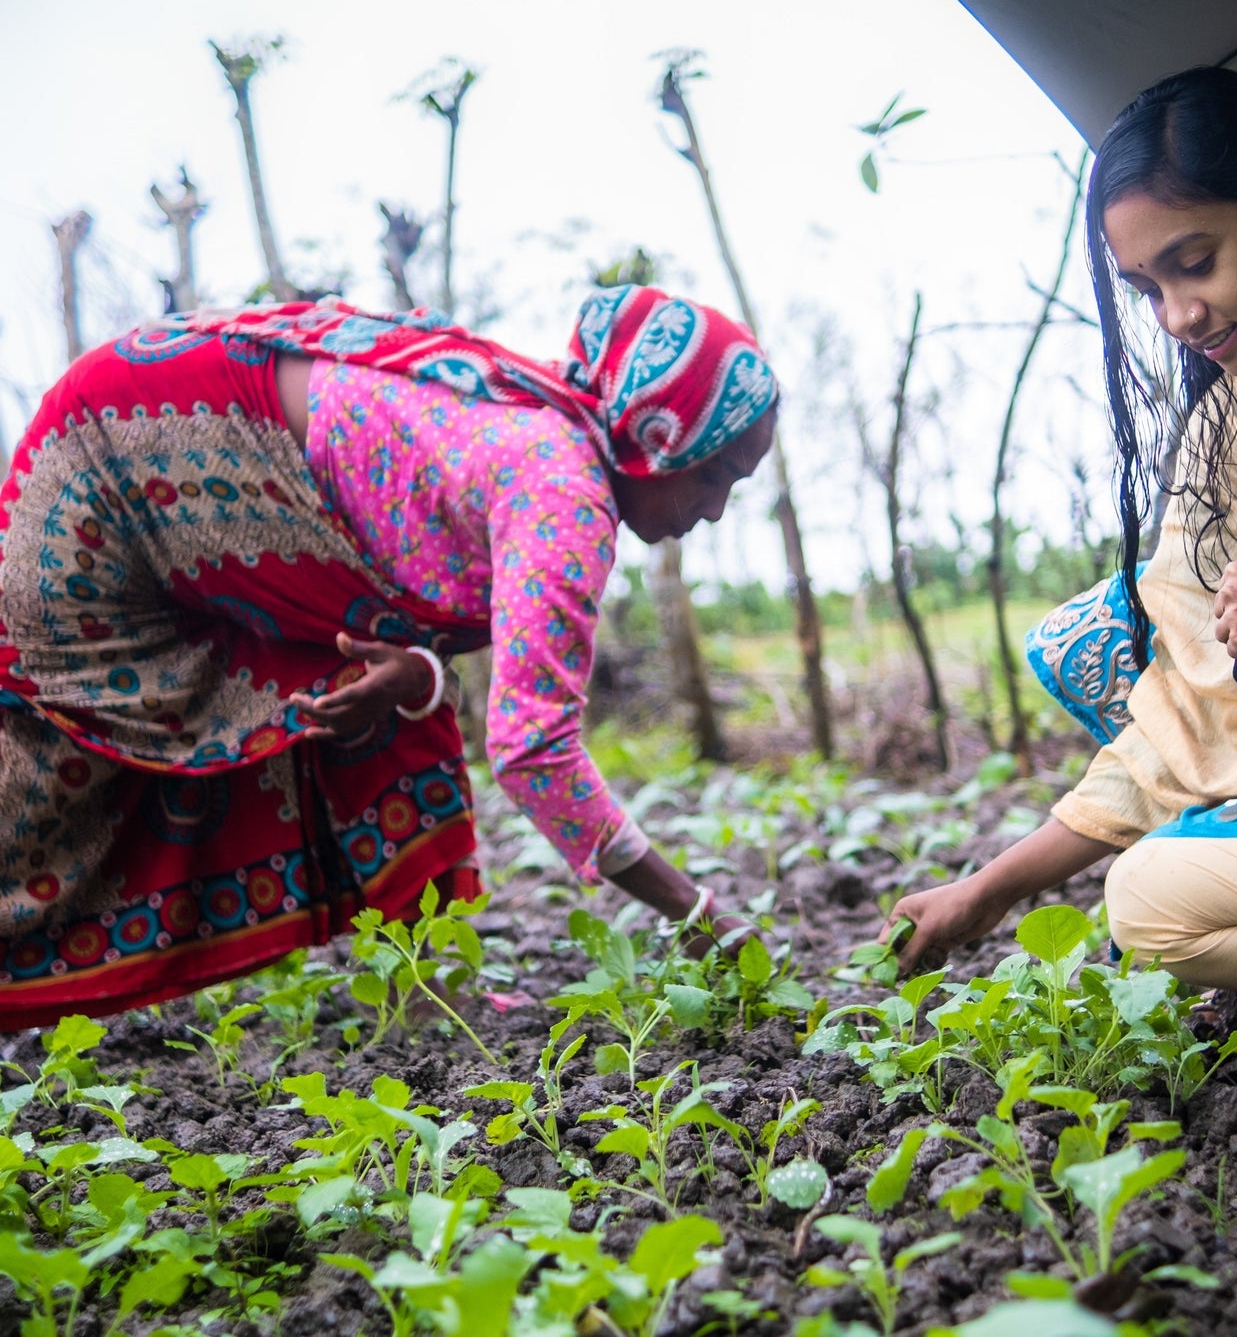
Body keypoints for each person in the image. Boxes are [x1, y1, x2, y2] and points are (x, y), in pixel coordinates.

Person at [0, 285, 776, 1027]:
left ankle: (426, 980)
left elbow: (400, 560)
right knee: (50, 756)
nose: (713, 509)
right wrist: (697, 910)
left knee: (382, 702)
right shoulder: (563, 489)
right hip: (120, 454)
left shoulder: (534, 415)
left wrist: (421, 671)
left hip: (135, 408)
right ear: (653, 439)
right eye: (713, 474)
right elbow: (533, 749)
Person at [883, 68, 1237, 1090]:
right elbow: (1182, 713)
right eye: (1145, 288)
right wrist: (988, 888)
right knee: (1140, 896)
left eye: (1194, 263)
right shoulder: (1229, 430)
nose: (1176, 314)